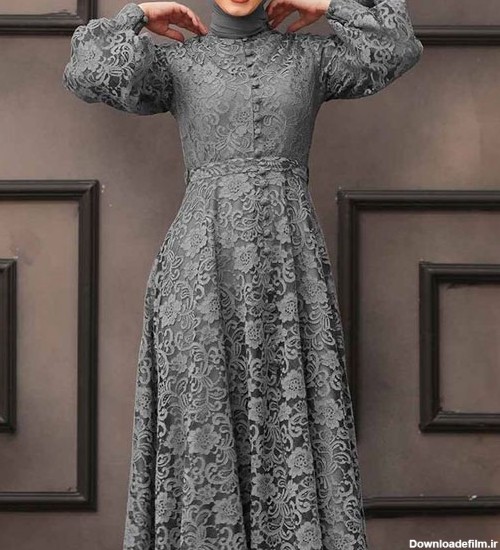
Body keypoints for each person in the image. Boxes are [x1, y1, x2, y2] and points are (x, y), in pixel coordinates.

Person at [62, 0, 423, 548]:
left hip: (290, 276)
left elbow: (397, 46)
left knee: (287, 424)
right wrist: (136, 14)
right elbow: (86, 72)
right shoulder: (178, 64)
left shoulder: (312, 59)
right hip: (199, 276)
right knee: (203, 428)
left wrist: (327, 4)